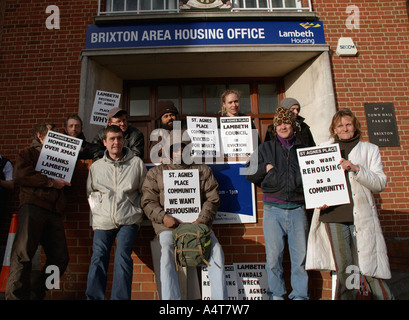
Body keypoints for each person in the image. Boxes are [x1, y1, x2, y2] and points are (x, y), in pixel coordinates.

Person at [306, 108, 393, 300]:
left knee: (368, 266)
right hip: (333, 216)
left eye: (348, 124)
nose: (344, 128)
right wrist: (317, 200)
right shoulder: (323, 149)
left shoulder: (370, 149)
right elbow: (314, 181)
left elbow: (380, 183)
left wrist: (356, 169)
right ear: (334, 129)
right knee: (344, 268)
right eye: (340, 125)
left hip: (360, 215)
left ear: (355, 126)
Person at [141, 131, 227, 300]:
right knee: (166, 253)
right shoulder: (156, 173)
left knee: (216, 251)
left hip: (198, 225)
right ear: (168, 150)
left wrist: (201, 220)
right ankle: (170, 303)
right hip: (168, 227)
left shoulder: (203, 171)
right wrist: (164, 217)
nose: (180, 152)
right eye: (175, 148)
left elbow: (212, 199)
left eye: (184, 147)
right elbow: (148, 202)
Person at [244, 107, 309, 300]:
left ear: (293, 125)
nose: (283, 126)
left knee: (300, 261)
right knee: (273, 260)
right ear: (274, 126)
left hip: (298, 209)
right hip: (273, 211)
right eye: (279, 123)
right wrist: (264, 168)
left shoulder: (305, 150)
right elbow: (246, 172)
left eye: (287, 122)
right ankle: (276, 296)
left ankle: (300, 296)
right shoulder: (265, 148)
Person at [6, 122, 71, 300]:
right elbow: (21, 176)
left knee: (60, 259)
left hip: (54, 212)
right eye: (51, 136)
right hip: (32, 207)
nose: (55, 140)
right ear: (40, 137)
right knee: (22, 255)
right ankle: (15, 297)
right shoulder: (28, 153)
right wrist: (50, 182)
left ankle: (37, 290)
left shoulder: (60, 158)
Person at [86, 125, 147, 300]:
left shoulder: (136, 163)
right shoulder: (96, 167)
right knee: (98, 258)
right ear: (104, 142)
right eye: (112, 139)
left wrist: (138, 211)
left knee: (122, 258)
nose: (116, 142)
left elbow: (144, 191)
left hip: (128, 219)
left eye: (119, 138)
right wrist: (98, 211)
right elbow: (91, 192)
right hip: (103, 220)